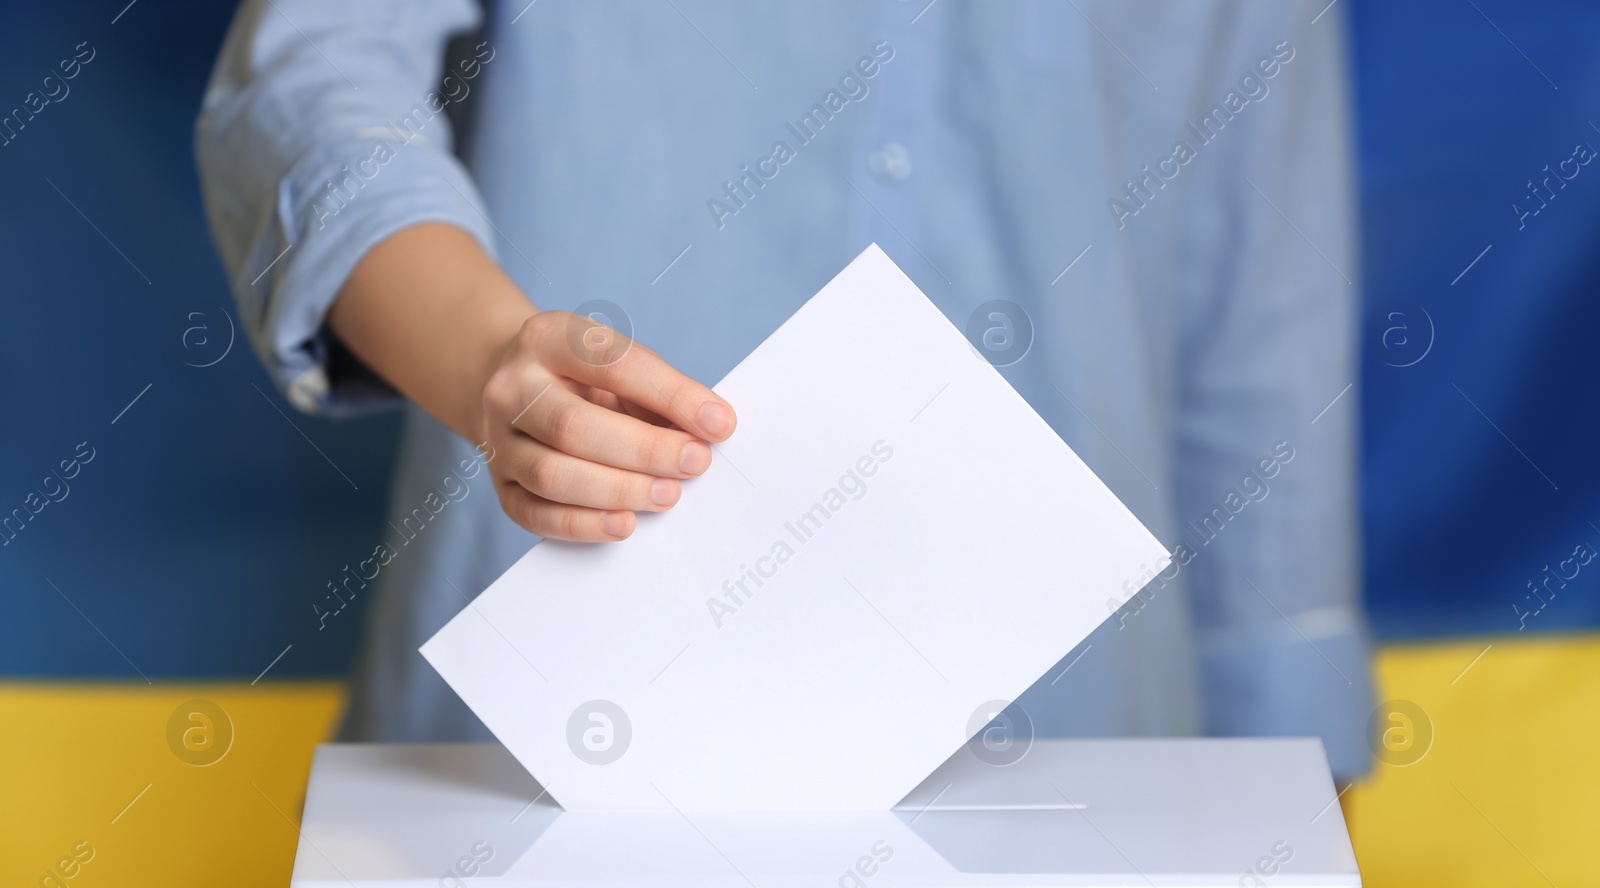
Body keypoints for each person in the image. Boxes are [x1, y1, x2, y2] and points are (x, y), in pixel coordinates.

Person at [197, 0, 1374, 780]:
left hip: (1082, 739)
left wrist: (1299, 775)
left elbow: (1256, 297)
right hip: (549, 736)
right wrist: (491, 353)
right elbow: (307, 74)